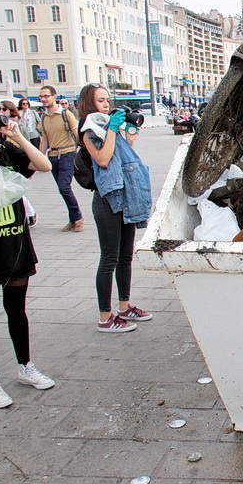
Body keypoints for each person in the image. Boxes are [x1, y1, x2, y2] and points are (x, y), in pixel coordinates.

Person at [0, 99, 55, 408]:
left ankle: (25, 366)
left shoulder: (3, 150)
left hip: (14, 241)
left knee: (17, 309)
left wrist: (16, 138)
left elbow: (44, 165)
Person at [76, 83, 153, 333]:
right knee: (109, 259)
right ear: (89, 103)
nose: (106, 104)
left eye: (108, 100)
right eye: (100, 101)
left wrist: (128, 135)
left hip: (125, 197)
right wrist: (110, 128)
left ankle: (124, 306)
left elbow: (120, 158)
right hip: (107, 201)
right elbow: (103, 158)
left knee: (125, 257)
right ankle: (104, 317)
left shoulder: (109, 127)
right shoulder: (89, 129)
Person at [37, 85, 83, 232]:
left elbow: (76, 135)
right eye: (41, 96)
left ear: (54, 96)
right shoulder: (44, 117)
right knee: (62, 188)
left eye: (46, 96)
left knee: (64, 187)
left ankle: (78, 217)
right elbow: (44, 140)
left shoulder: (65, 114)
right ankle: (73, 219)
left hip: (67, 153)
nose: (43, 99)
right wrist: (38, 159)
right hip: (53, 156)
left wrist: (77, 152)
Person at [0, 101, 38, 228]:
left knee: (16, 192)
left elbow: (26, 140)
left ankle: (30, 213)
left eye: (3, 109)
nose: (1, 113)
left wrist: (18, 138)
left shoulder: (16, 125)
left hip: (16, 159)